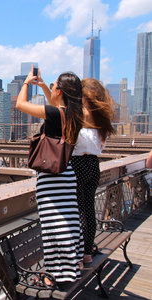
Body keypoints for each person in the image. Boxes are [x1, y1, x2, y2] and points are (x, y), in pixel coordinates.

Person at [16, 66, 84, 286]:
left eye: (55, 86)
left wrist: (26, 83)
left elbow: (20, 105)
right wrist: (45, 86)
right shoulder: (74, 114)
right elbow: (56, 106)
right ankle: (71, 266)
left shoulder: (56, 114)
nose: (52, 88)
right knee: (68, 222)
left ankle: (53, 276)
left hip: (51, 178)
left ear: (60, 92)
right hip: (67, 174)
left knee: (52, 226)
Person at [71, 78, 116, 264]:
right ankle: (87, 253)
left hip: (77, 164)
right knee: (89, 211)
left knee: (78, 212)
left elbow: (57, 109)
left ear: (85, 95)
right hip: (93, 165)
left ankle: (78, 255)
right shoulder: (100, 117)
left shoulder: (81, 113)